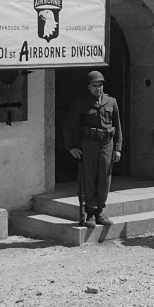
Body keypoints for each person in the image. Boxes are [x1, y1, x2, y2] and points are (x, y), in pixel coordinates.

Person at [63, 71, 122, 228]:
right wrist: (71, 147)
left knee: (104, 178)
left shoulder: (111, 102)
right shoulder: (81, 103)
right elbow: (68, 125)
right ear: (88, 87)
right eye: (95, 86)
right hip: (88, 144)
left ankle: (100, 212)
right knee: (89, 178)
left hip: (107, 144)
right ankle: (90, 212)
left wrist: (118, 148)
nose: (98, 89)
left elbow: (118, 126)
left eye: (101, 85)